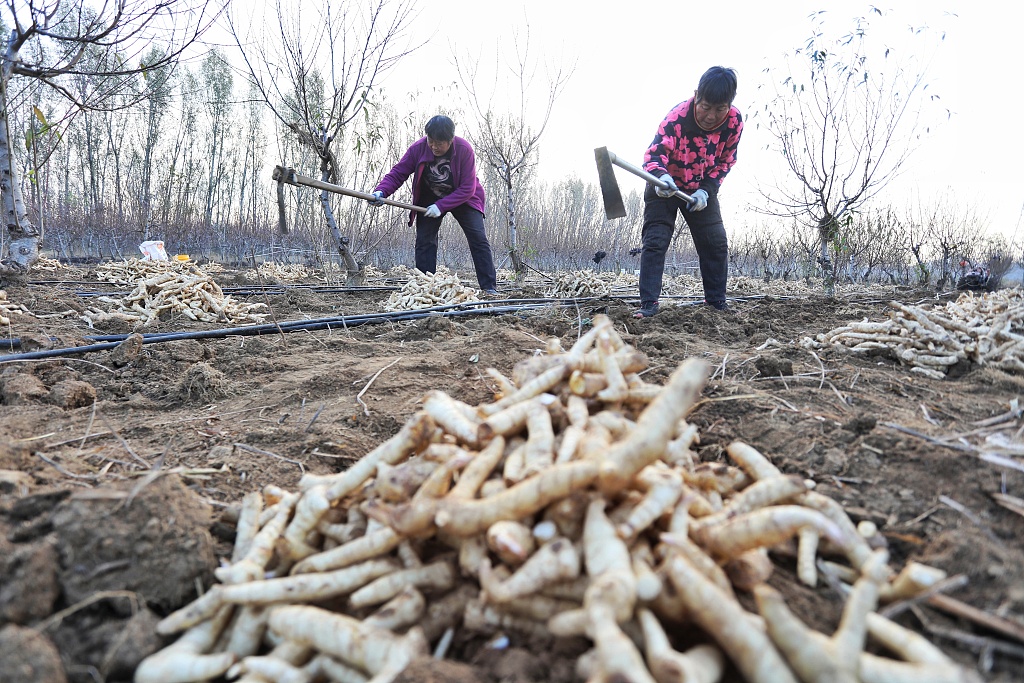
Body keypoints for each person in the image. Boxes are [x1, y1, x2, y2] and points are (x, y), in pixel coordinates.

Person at [634, 66, 743, 318]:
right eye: (705, 107)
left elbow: (726, 160)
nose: (711, 116)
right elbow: (653, 156)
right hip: (664, 186)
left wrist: (707, 191)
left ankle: (716, 303)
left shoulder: (735, 121)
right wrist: (661, 179)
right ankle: (648, 304)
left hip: (700, 191)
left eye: (720, 109)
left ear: (729, 105)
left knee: (715, 243)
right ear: (696, 96)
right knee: (656, 241)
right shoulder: (677, 118)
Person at [368, 115, 499, 294]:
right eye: (431, 141)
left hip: (464, 197)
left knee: (478, 239)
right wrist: (381, 191)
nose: (434, 147)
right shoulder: (418, 149)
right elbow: (399, 172)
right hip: (430, 197)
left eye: (440, 143)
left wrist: (442, 206)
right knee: (425, 240)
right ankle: (424, 286)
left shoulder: (464, 149)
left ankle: (489, 288)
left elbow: (468, 187)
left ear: (451, 140)